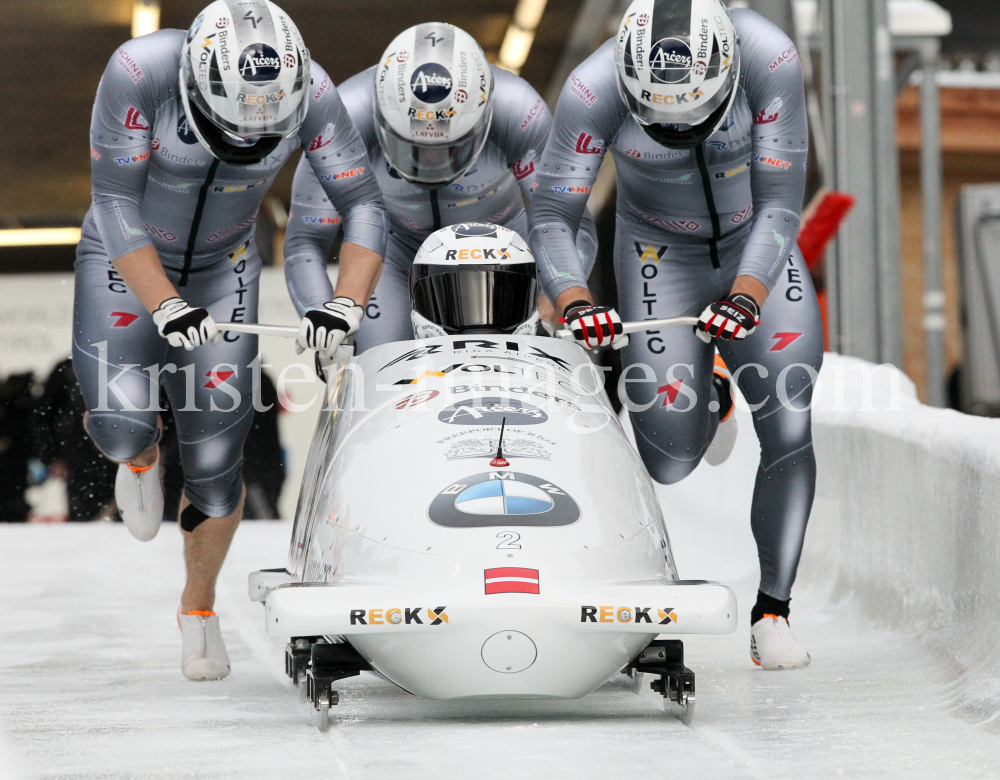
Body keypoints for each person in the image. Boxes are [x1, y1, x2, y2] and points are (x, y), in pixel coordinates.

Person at [73, 0, 386, 680]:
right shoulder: (138, 69)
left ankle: (198, 610)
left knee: (217, 461)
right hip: (122, 260)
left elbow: (362, 202)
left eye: (264, 131)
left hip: (226, 266)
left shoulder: (317, 91)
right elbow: (116, 201)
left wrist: (346, 302)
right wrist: (163, 304)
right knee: (121, 426)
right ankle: (141, 457)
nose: (246, 141)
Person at [528, 0, 823, 669]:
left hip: (758, 241)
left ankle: (772, 611)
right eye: (658, 118)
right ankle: (711, 391)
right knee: (669, 456)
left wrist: (749, 295)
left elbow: (781, 200)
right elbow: (552, 211)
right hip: (659, 251)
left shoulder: (768, 56)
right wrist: (575, 300)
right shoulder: (591, 86)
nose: (678, 127)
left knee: (789, 414)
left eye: (694, 112)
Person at [282, 22, 597, 351]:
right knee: (372, 357)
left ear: (483, 119)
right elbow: (307, 237)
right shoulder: (345, 113)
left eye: (451, 147)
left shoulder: (517, 108)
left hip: (501, 255)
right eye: (413, 147)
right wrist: (326, 316)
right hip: (392, 254)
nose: (432, 161)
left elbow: (571, 224)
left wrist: (549, 310)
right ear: (382, 119)